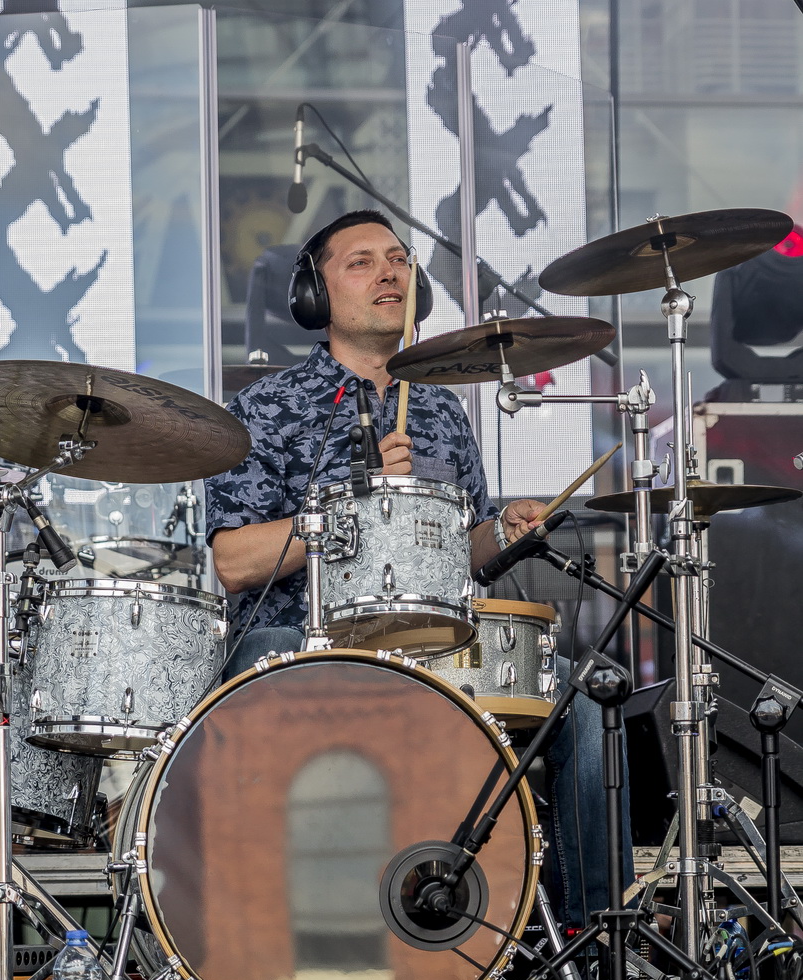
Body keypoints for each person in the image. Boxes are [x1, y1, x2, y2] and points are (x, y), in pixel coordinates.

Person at [205, 209, 632, 928]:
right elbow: (233, 562)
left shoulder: (441, 410)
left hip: (436, 649)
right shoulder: (264, 410)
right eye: (362, 262)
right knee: (256, 654)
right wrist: (353, 501)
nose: (390, 273)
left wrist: (503, 531)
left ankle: (594, 939)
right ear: (314, 294)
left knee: (583, 699)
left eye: (399, 260)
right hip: (305, 646)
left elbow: (466, 550)